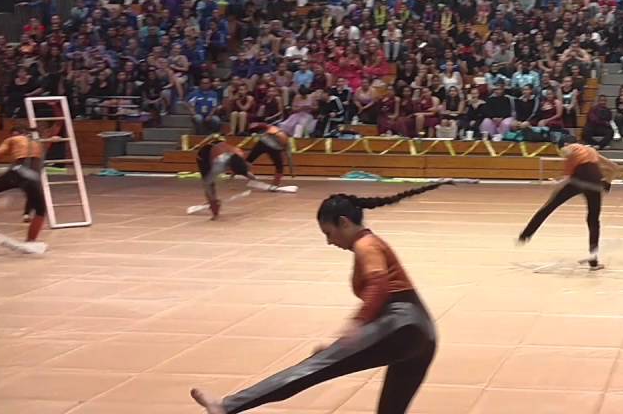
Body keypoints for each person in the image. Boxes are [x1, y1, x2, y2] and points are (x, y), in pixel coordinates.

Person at [189, 184, 446, 414]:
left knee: (314, 368)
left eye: (329, 233)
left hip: (400, 324)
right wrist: (344, 343)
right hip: (423, 332)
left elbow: (379, 284)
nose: (329, 242)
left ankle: (227, 406)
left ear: (344, 222)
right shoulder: (373, 243)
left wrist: (356, 324)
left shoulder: (366, 245)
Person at [518, 143, 619, 271]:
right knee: (593, 221)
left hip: (578, 180)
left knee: (549, 207)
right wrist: (607, 184)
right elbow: (614, 167)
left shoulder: (571, 149)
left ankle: (526, 234)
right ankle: (593, 261)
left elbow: (567, 172)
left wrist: (553, 196)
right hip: (595, 183)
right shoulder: (592, 151)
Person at [0, 125, 48, 253]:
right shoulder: (39, 142)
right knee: (40, 210)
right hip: (32, 177)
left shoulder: (12, 140)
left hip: (17, 172)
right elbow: (58, 126)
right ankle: (30, 242)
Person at [247, 122, 293, 189]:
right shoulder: (281, 135)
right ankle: (275, 185)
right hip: (270, 145)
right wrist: (291, 171)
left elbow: (288, 155)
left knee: (249, 159)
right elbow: (288, 156)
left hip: (265, 143)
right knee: (279, 166)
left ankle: (246, 174)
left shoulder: (276, 131)